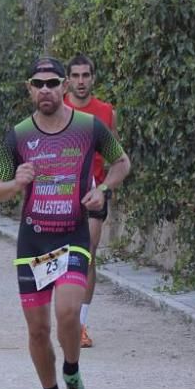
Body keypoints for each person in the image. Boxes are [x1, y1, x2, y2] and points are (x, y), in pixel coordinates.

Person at [0, 57, 130, 389]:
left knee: (67, 312)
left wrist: (101, 189)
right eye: (39, 83)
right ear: (29, 88)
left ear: (64, 86)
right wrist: (16, 183)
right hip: (33, 241)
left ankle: (71, 371)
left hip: (73, 235)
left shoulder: (88, 126)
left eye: (53, 82)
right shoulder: (17, 136)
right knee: (37, 331)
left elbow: (121, 162)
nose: (46, 89)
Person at [64, 54, 118, 349]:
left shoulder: (106, 111)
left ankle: (79, 325)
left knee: (87, 254)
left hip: (93, 194)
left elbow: (115, 152)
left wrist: (107, 186)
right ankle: (64, 315)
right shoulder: (56, 109)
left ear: (93, 78)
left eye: (86, 75)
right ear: (68, 80)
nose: (81, 81)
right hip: (59, 195)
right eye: (76, 76)